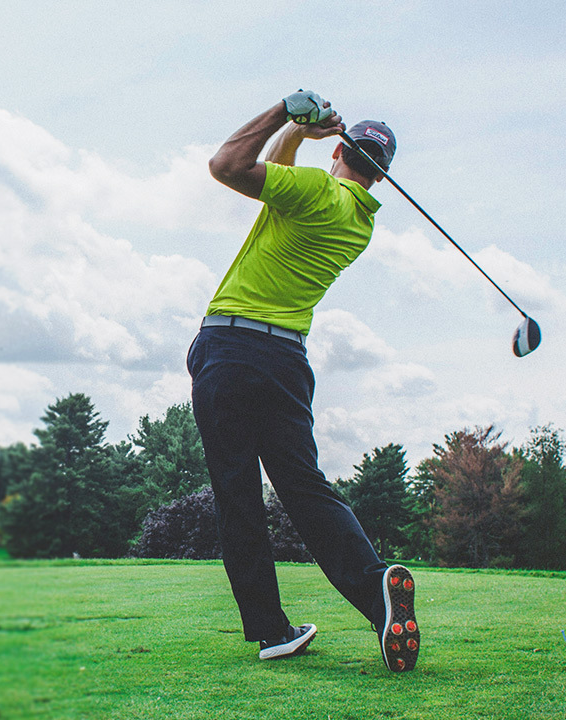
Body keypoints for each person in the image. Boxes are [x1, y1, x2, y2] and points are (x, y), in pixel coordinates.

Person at [188, 90, 419, 672]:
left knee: (239, 494)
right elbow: (280, 176)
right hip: (287, 361)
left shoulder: (316, 192)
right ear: (382, 178)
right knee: (306, 489)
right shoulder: (357, 220)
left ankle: (271, 629)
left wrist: (281, 112)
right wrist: (298, 135)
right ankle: (376, 597)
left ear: (339, 151)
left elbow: (228, 166)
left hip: (232, 348)